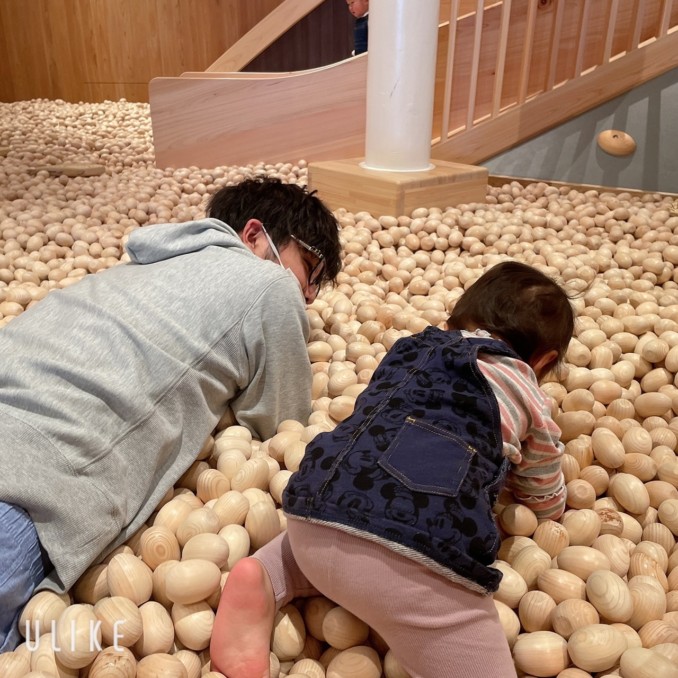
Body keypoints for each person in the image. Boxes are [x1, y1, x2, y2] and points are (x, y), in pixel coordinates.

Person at [0, 177, 342, 653]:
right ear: (254, 237)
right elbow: (283, 429)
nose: (307, 294)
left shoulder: (139, 265)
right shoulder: (269, 285)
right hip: (31, 483)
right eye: (309, 268)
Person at [210, 261, 576, 678]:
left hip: (315, 512)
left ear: (452, 321)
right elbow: (542, 489)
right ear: (543, 361)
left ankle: (267, 573)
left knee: (330, 531)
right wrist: (550, 507)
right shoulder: (525, 388)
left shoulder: (411, 348)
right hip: (416, 553)